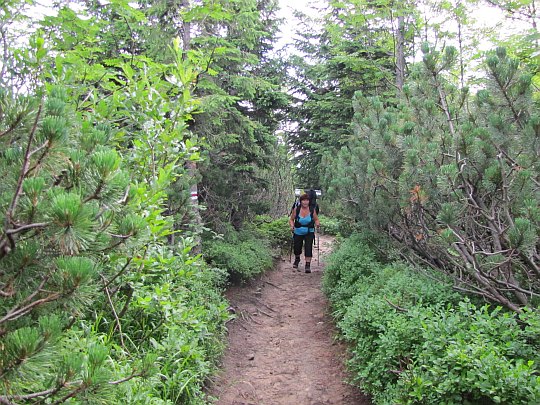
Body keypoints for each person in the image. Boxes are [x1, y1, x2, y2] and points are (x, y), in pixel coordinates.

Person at [289, 193, 320, 273]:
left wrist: (317, 224)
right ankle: (297, 259)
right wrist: (292, 226)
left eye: (307, 200)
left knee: (308, 247)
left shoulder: (312, 210)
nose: (305, 202)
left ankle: (307, 265)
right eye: (303, 200)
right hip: (298, 231)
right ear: (301, 201)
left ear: (309, 201)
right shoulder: (297, 209)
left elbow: (316, 219)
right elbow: (291, 219)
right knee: (297, 247)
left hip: (309, 231)